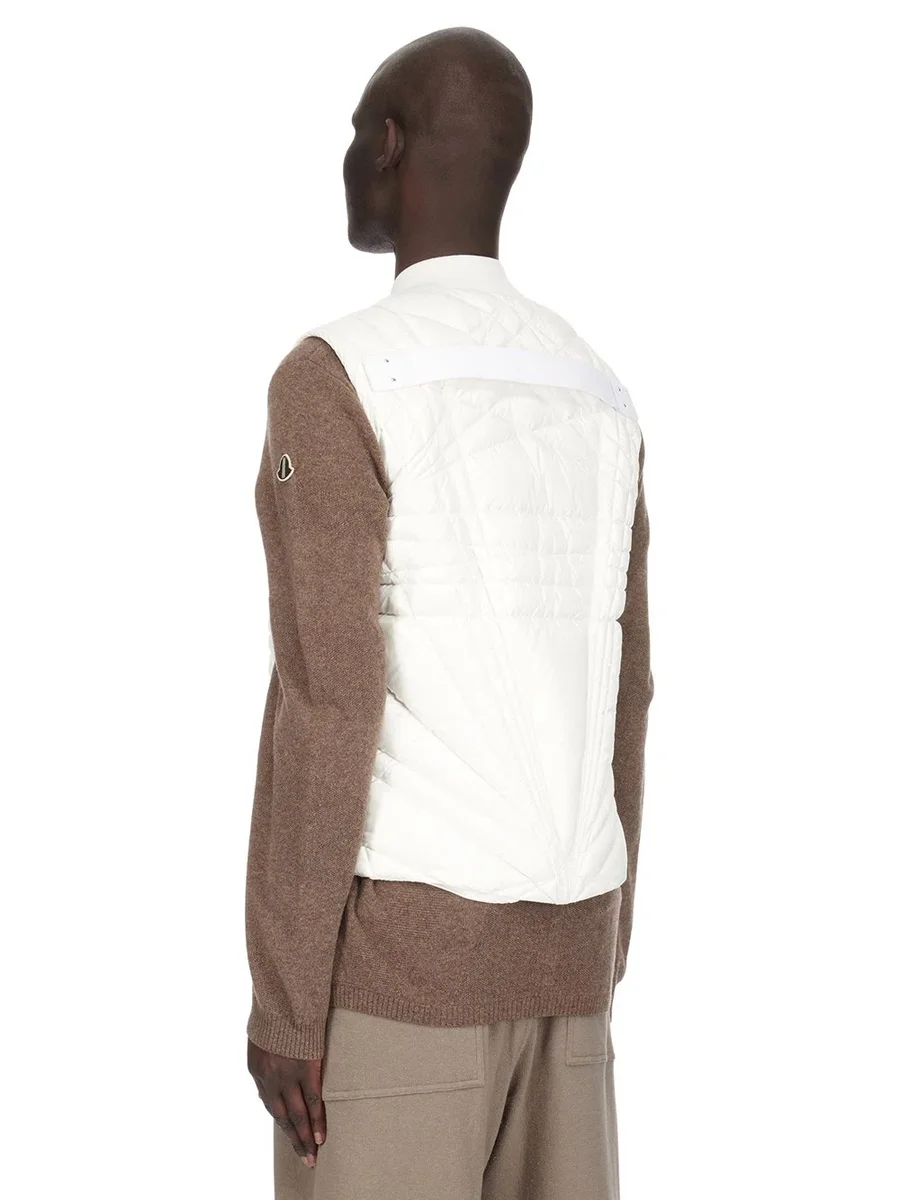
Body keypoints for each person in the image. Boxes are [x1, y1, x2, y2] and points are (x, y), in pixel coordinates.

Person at [244, 25, 654, 1200]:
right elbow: (629, 689)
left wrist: (286, 1000)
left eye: (351, 136)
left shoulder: (335, 377)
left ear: (388, 146)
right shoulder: (598, 389)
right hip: (573, 974)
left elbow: (329, 698)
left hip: (397, 990)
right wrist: (602, 957)